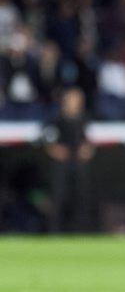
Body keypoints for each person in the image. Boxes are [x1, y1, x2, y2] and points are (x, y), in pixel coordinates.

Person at [42, 86, 94, 233]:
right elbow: (46, 138)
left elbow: (90, 140)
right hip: (61, 163)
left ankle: (80, 231)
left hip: (79, 163)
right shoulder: (56, 119)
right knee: (58, 197)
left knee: (81, 197)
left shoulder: (85, 119)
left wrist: (87, 149)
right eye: (72, 98)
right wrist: (54, 149)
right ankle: (54, 231)